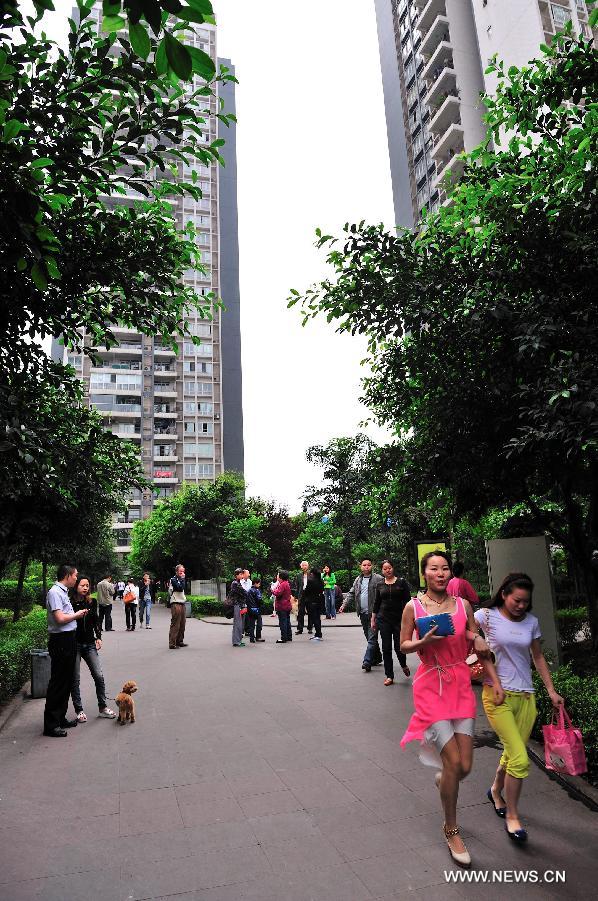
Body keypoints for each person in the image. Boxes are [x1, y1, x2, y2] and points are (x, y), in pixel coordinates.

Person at [399, 551, 495, 867]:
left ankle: (446, 780)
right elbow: (403, 645)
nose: (440, 573)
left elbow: (468, 634)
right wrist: (422, 641)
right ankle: (451, 828)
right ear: (424, 573)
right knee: (453, 760)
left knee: (464, 766)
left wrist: (477, 638)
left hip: (460, 686)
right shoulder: (413, 607)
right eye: (434, 568)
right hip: (430, 687)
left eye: (445, 568)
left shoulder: (462, 605)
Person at [475, 573, 564, 844]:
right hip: (497, 697)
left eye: (526, 601)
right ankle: (513, 816)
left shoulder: (531, 622)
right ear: (504, 594)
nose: (521, 605)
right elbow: (463, 625)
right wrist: (474, 640)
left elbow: (537, 656)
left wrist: (550, 689)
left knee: (513, 754)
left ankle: (495, 790)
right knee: (520, 759)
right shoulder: (486, 616)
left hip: (527, 698)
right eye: (517, 600)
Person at [43, 564, 88, 737]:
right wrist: (77, 615)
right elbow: (60, 618)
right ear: (68, 575)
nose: (77, 578)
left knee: (67, 681)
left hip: (68, 639)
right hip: (60, 640)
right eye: (75, 575)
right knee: (58, 682)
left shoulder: (63, 592)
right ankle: (51, 725)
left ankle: (60, 718)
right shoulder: (55, 592)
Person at [69, 575, 116, 722]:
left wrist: (99, 637)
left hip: (89, 643)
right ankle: (79, 710)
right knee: (75, 679)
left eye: (87, 585)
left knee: (98, 675)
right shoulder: (69, 603)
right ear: (76, 586)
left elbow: (96, 621)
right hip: (74, 644)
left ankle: (102, 707)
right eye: (82, 585)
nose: (85, 588)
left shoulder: (91, 602)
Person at [372, 560, 411, 685]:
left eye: (389, 568)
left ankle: (403, 664)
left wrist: (410, 618)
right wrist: (373, 619)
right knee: (386, 647)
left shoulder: (401, 582)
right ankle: (389, 676)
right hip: (383, 619)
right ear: (382, 571)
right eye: (385, 569)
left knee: (399, 646)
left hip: (399, 619)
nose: (387, 570)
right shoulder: (379, 584)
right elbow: (376, 603)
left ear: (393, 568)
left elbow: (408, 602)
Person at [339, 559, 383, 670]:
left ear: (372, 566)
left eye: (368, 565)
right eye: (364, 565)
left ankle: (367, 661)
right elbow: (351, 593)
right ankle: (377, 658)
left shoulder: (378, 578)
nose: (366, 567)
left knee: (372, 638)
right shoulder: (358, 580)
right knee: (369, 637)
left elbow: (385, 591)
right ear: (360, 567)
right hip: (362, 613)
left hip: (374, 614)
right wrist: (344, 605)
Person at [168, 563, 188, 649]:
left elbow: (183, 588)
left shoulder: (181, 579)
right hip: (175, 603)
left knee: (182, 623)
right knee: (175, 624)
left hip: (182, 603)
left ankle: (179, 641)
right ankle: (172, 643)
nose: (182, 573)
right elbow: (180, 588)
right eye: (180, 571)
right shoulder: (173, 579)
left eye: (183, 571)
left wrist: (182, 579)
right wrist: (183, 579)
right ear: (176, 571)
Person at [304, 567, 325, 641]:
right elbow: (322, 590)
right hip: (319, 601)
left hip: (311, 601)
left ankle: (318, 635)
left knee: (314, 618)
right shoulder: (321, 581)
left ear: (312, 573)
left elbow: (307, 591)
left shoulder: (310, 581)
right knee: (317, 618)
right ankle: (318, 634)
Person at [272, 570, 293, 643]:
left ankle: (283, 637)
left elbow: (278, 593)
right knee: (287, 621)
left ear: (281, 577)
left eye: (278, 575)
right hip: (287, 605)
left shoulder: (283, 584)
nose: (277, 576)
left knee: (282, 622)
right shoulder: (286, 583)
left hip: (282, 606)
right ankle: (289, 636)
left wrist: (273, 590)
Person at [229, 567, 248, 647]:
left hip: (239, 605)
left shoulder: (238, 582)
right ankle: (236, 642)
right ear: (236, 575)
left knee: (240, 624)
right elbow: (244, 592)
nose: (242, 575)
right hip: (236, 605)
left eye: (242, 574)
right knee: (237, 624)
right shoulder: (235, 583)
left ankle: (238, 640)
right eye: (240, 574)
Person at [294, 561, 313, 635]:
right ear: (301, 566)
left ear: (308, 566)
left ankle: (310, 628)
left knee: (310, 612)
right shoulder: (298, 575)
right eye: (303, 565)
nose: (304, 566)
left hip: (309, 595)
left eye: (306, 565)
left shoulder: (311, 575)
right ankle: (300, 629)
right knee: (300, 613)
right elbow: (297, 587)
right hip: (301, 596)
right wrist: (296, 596)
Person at [247, 578, 265, 643]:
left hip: (250, 609)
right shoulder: (257, 590)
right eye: (259, 583)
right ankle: (258, 637)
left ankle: (251, 638)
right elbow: (259, 600)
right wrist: (262, 604)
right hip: (256, 609)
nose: (259, 585)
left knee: (251, 625)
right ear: (255, 583)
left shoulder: (249, 591)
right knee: (259, 623)